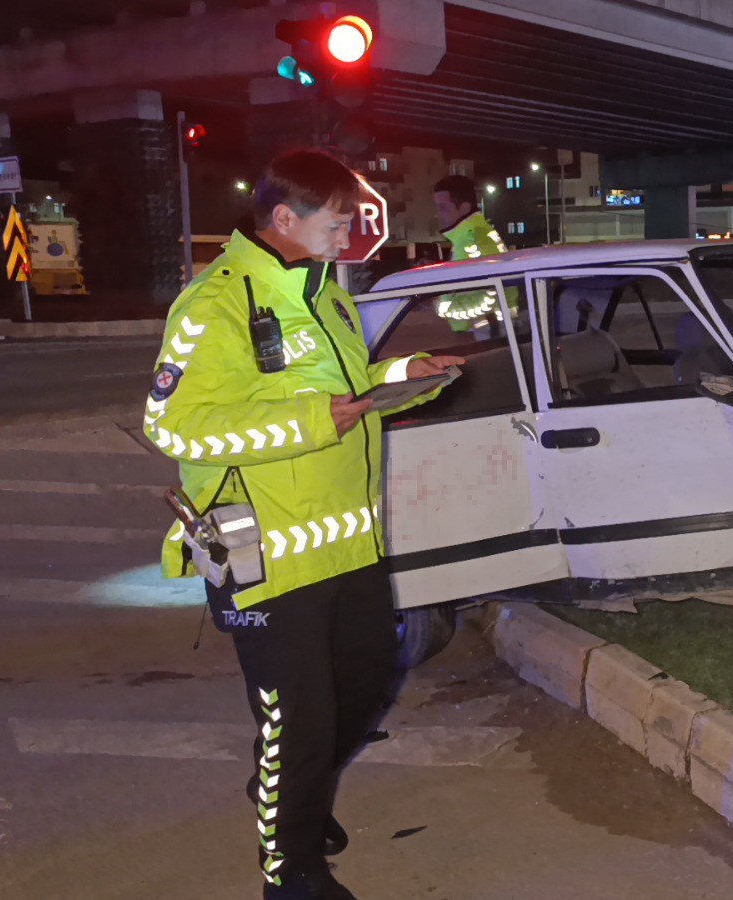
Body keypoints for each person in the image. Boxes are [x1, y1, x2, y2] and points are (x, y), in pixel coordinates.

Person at [142, 149, 464, 899]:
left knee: (361, 689)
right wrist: (309, 423)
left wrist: (403, 378)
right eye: (336, 216)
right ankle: (291, 871)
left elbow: (348, 391)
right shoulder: (212, 305)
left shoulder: (328, 294)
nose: (348, 228)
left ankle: (287, 791)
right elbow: (174, 427)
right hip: (266, 553)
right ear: (284, 219)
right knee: (301, 715)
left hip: (349, 545)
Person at [432, 174, 510, 338]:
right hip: (488, 330)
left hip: (486, 332)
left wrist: (444, 306)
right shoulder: (473, 234)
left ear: (464, 208)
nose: (438, 215)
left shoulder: (472, 238)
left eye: (443, 208)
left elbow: (489, 293)